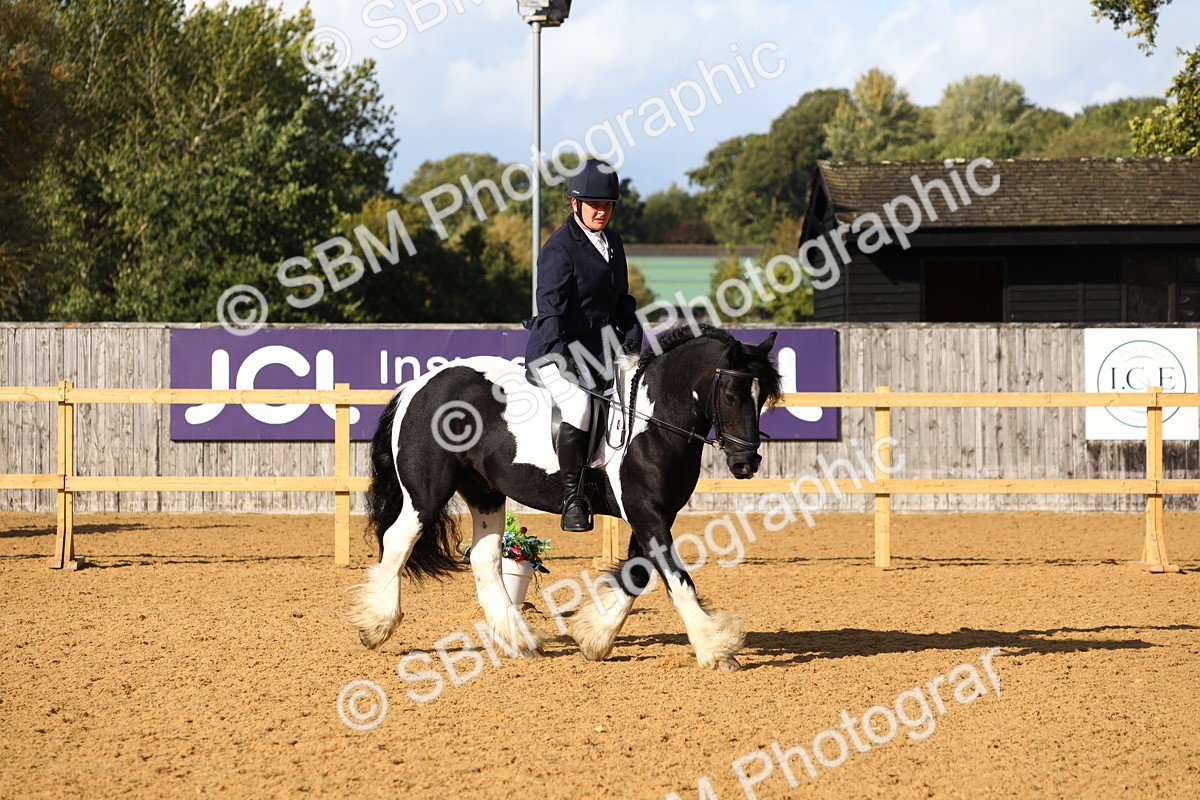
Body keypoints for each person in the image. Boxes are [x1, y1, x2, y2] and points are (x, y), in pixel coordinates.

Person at [524, 158, 644, 532]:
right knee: (578, 406)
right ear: (574, 204)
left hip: (602, 352)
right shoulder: (559, 249)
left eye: (607, 205)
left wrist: (634, 339)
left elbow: (621, 301)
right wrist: (565, 360)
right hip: (556, 349)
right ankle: (573, 498)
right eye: (594, 205)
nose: (601, 212)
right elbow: (551, 311)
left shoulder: (613, 243)